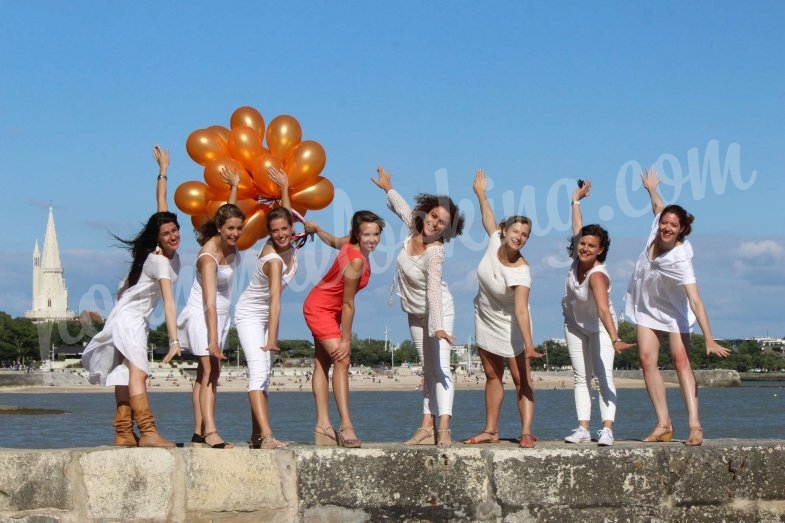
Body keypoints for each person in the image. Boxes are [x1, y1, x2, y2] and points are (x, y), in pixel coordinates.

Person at [81, 145, 182, 447]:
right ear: (157, 239)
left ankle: (123, 432)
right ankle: (149, 432)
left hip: (126, 318)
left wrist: (163, 172)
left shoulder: (157, 255)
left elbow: (161, 205)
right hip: (130, 321)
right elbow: (168, 301)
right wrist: (175, 341)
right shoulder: (160, 261)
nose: (173, 235)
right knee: (138, 374)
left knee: (126, 374)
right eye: (166, 234)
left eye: (175, 230)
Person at [625, 168, 730, 446]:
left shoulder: (681, 258)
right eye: (664, 223)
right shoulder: (656, 226)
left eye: (673, 225)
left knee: (681, 362)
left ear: (682, 229)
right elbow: (659, 207)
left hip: (674, 312)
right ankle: (663, 424)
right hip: (646, 307)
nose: (666, 228)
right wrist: (650, 188)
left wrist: (708, 337)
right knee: (647, 361)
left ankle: (695, 425)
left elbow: (696, 299)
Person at [371, 165, 464, 449]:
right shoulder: (414, 226)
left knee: (441, 368)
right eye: (434, 215)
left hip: (439, 313)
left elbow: (434, 292)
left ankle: (444, 428)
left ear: (447, 230)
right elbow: (401, 207)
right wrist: (388, 186)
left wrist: (438, 327)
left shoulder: (436, 253)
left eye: (442, 223)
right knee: (427, 369)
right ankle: (426, 426)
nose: (435, 223)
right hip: (414, 312)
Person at [463, 170, 544, 448]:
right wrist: (480, 193)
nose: (519, 237)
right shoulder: (494, 239)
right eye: (515, 231)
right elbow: (487, 216)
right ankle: (491, 430)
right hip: (485, 316)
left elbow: (522, 310)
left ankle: (525, 431)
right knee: (492, 376)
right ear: (504, 230)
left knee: (522, 378)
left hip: (513, 323)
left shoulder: (522, 271)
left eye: (525, 235)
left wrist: (529, 344)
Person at [303, 210, 385, 448]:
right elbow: (349, 303)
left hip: (330, 309)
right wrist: (346, 340)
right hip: (321, 308)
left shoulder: (348, 244)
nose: (372, 239)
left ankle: (322, 425)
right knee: (342, 360)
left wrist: (317, 229)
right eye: (367, 234)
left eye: (376, 234)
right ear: (357, 235)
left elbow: (331, 240)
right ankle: (346, 425)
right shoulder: (356, 259)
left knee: (322, 362)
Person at [561, 180, 634, 447]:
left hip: (601, 327)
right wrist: (576, 200)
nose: (585, 248)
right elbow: (577, 229)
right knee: (581, 378)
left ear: (601, 250)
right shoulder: (577, 258)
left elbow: (604, 309)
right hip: (574, 325)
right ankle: (582, 428)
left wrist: (615, 339)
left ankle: (607, 429)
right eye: (583, 244)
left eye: (592, 246)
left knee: (604, 377)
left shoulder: (598, 275)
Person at [177, 169, 243, 449]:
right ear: (219, 228)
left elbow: (227, 213)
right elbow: (208, 303)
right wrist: (213, 340)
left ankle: (198, 431)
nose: (236, 233)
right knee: (209, 369)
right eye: (230, 229)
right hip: (204, 314)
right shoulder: (208, 258)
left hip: (222, 314)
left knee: (208, 373)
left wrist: (234, 188)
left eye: (239, 228)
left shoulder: (228, 235)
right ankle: (211, 432)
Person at [234, 168, 294, 449]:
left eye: (285, 229)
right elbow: (275, 301)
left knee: (265, 377)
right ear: (268, 234)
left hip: (263, 315)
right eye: (275, 231)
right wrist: (272, 338)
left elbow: (286, 215)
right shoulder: (274, 260)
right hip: (249, 315)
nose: (281, 234)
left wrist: (284, 188)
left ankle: (258, 435)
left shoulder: (288, 242)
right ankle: (267, 437)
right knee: (259, 373)